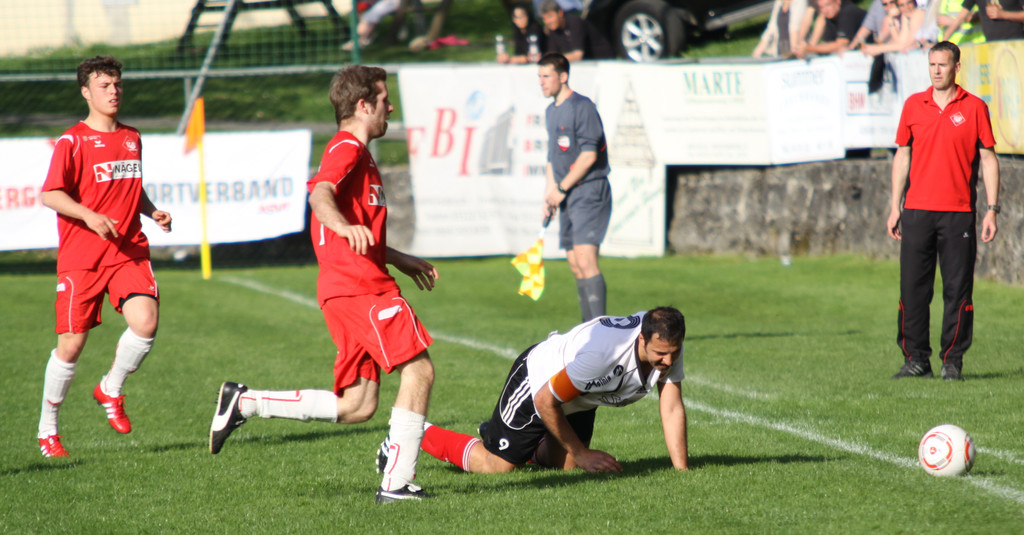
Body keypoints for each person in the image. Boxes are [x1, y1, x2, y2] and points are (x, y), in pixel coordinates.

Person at [208, 65, 440, 504]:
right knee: (420, 370)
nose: (391, 107)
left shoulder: (357, 152)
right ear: (363, 105)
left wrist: (398, 257)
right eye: (384, 99)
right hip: (361, 288)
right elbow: (319, 194)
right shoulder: (348, 147)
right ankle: (396, 484)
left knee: (358, 405)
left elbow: (356, 227)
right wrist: (342, 226)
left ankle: (245, 403)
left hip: (344, 288)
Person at [36, 56, 173, 458]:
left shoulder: (132, 136)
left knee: (145, 322)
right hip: (83, 256)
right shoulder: (73, 141)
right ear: (86, 92)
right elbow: (51, 194)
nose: (113, 92)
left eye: (117, 85)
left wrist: (152, 211)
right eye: (104, 86)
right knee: (71, 346)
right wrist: (89, 215)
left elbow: (131, 186)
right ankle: (48, 430)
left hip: (128, 249)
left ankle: (110, 389)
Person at [396, 307, 687, 474]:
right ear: (641, 339)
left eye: (673, 353)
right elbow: (545, 400)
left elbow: (672, 407)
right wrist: (582, 452)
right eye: (661, 354)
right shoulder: (603, 354)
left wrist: (681, 471)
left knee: (567, 466)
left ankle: (517, 443)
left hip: (578, 397)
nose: (668, 361)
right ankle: (413, 435)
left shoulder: (669, 344)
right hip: (539, 382)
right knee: (497, 466)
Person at [887, 41, 1000, 381]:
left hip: (958, 213)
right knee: (913, 290)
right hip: (916, 212)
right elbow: (902, 155)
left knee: (957, 291)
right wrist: (894, 206)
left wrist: (992, 209)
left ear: (956, 67)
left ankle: (952, 361)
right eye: (932, 64)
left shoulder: (975, 107)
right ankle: (916, 359)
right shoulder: (913, 105)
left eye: (942, 65)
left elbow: (988, 159)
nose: (936, 71)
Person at [538, 52, 612, 322]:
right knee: (574, 263)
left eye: (546, 76)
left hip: (589, 190)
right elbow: (552, 159)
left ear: (563, 76)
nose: (541, 82)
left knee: (585, 259)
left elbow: (589, 156)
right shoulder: (551, 111)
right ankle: (587, 330)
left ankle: (601, 332)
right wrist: (550, 195)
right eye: (539, 76)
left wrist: (561, 188)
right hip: (567, 194)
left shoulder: (582, 107)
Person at [539, 0, 614, 61]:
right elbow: (552, 53)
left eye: (550, 16)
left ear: (560, 13)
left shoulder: (574, 22)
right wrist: (542, 58)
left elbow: (578, 55)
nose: (548, 21)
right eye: (544, 18)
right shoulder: (553, 29)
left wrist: (553, 59)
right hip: (585, 63)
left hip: (602, 60)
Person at [795, 0, 867, 57]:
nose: (825, 10)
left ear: (838, 1)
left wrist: (809, 49)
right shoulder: (829, 17)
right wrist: (804, 48)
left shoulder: (848, 12)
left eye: (827, 5)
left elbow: (841, 44)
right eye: (821, 7)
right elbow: (827, 44)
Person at [861, 0, 931, 55]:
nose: (906, 7)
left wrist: (878, 49)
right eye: (902, 5)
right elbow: (900, 42)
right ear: (898, 8)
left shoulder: (918, 13)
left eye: (909, 3)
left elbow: (907, 44)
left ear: (914, 3)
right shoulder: (905, 17)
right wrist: (890, 19)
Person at [945, 0, 1024, 41]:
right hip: (991, 45)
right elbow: (960, 18)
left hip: (1016, 43)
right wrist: (943, 41)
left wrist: (1003, 14)